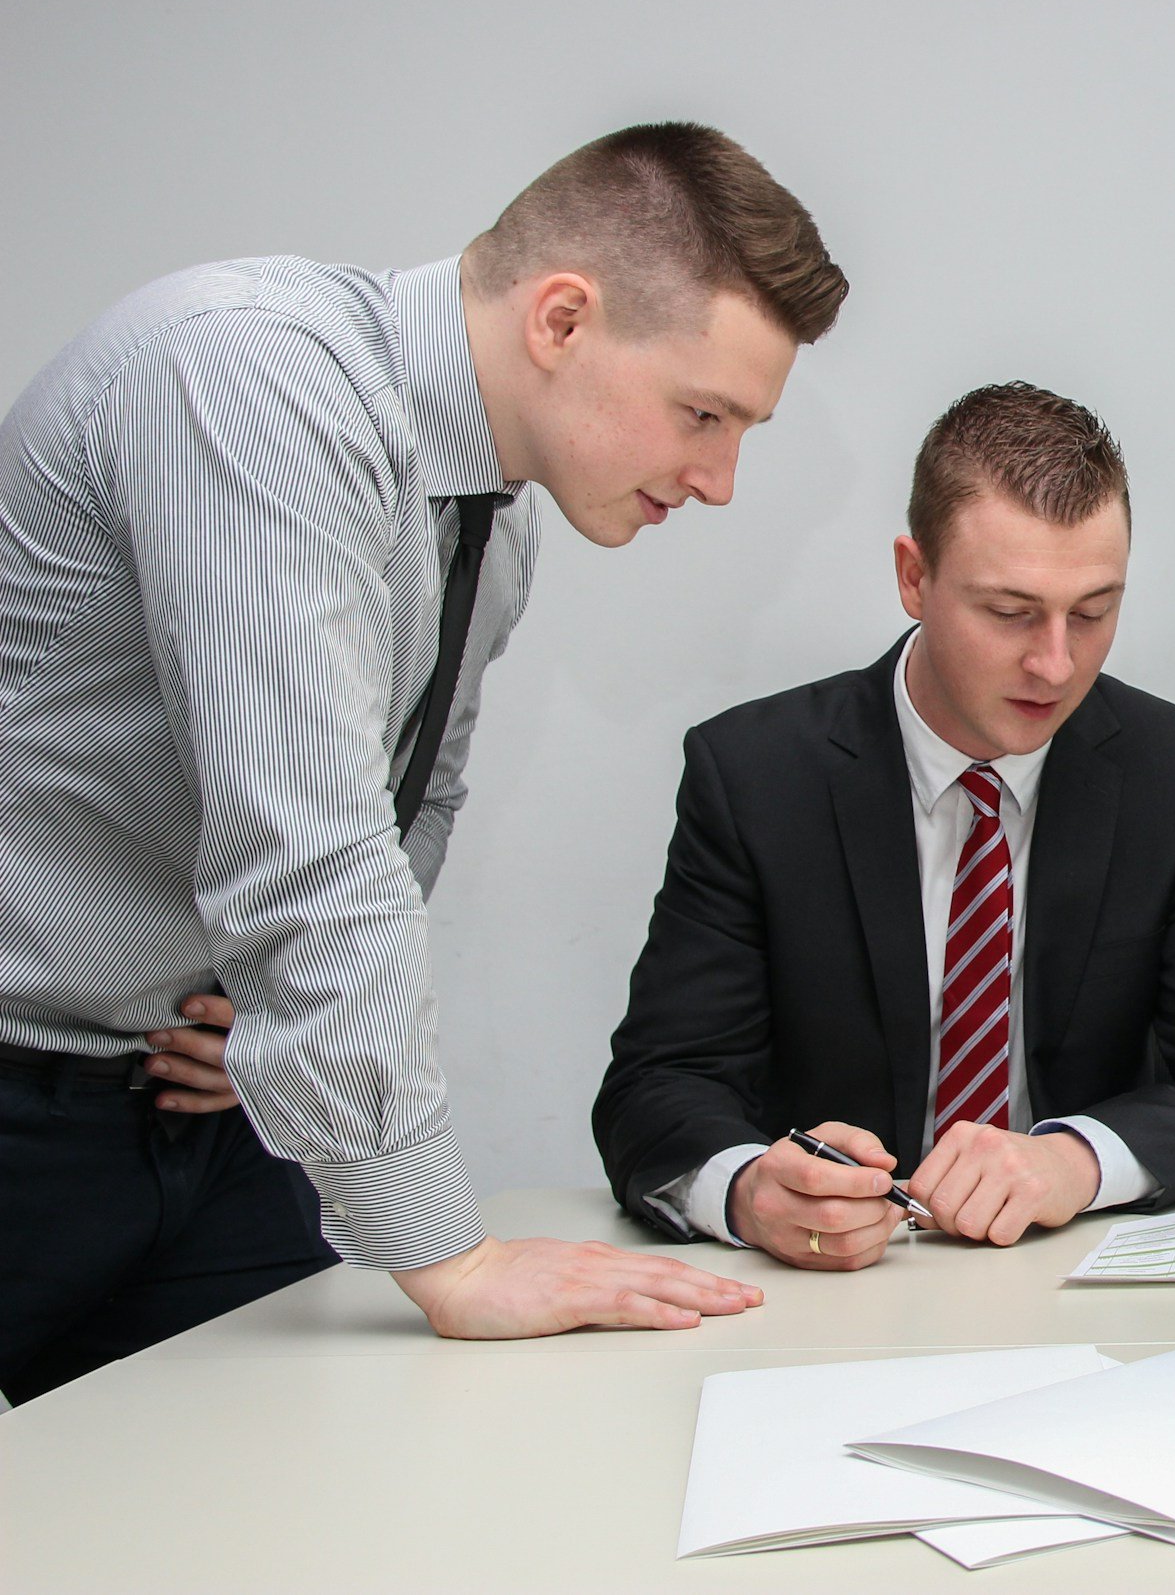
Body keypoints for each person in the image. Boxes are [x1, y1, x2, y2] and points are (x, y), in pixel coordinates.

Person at [0, 122, 848, 1401]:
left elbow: (411, 801)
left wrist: (268, 1025)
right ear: (561, 319)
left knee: (293, 1497)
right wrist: (449, 1253)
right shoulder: (253, 379)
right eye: (702, 413)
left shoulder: (491, 515)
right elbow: (312, 848)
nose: (720, 479)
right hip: (16, 1091)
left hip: (183, 1104)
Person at [592, 383, 1175, 1267]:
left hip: (1072, 1278)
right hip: (829, 1296)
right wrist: (750, 1191)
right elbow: (657, 1086)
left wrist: (1073, 1160)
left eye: (1093, 612)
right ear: (913, 577)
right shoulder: (754, 776)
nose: (1055, 662)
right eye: (1009, 612)